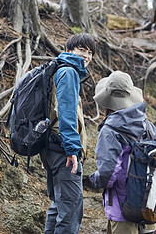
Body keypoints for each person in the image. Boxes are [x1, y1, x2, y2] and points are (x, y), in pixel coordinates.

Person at [89, 71, 156, 234]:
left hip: (123, 211)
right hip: (149, 206)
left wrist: (94, 179)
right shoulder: (148, 126)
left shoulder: (109, 131)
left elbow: (108, 173)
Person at [40, 33, 96, 234]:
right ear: (68, 51)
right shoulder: (68, 72)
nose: (87, 56)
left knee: (58, 207)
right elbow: (66, 113)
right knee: (70, 211)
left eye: (90, 52)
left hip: (52, 148)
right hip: (64, 152)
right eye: (82, 50)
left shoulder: (57, 70)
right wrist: (72, 150)